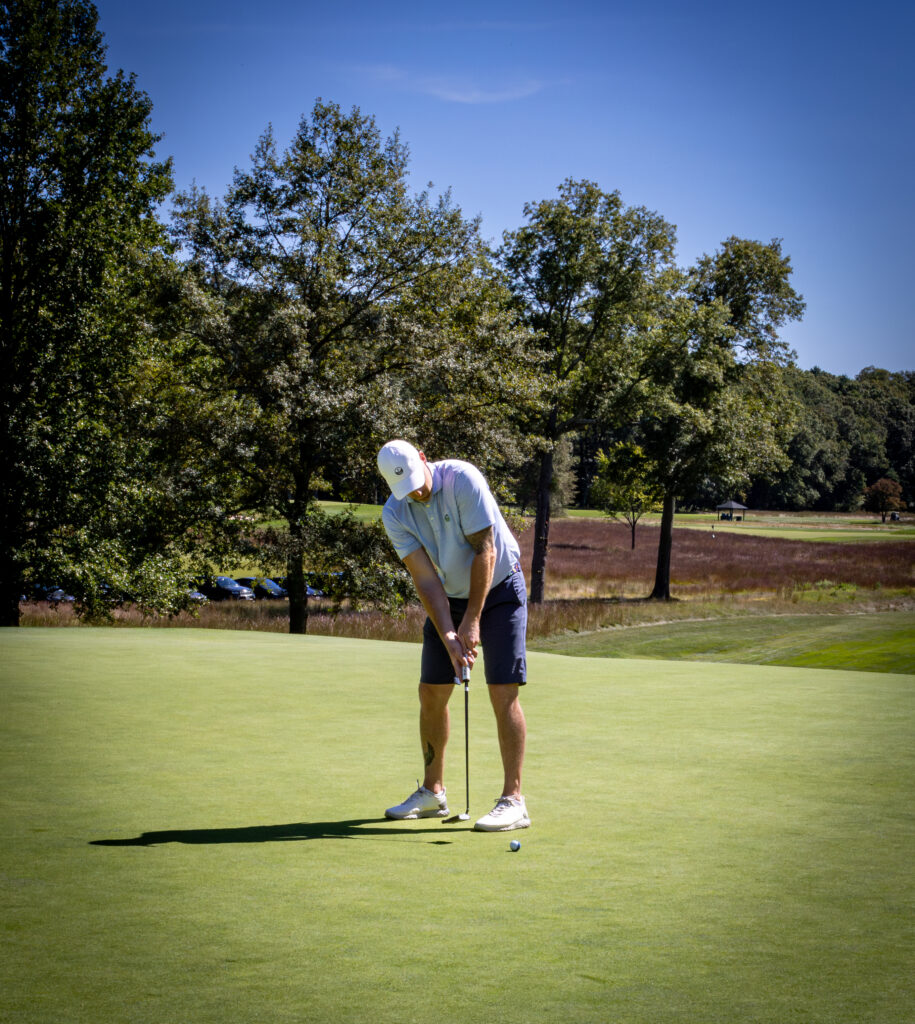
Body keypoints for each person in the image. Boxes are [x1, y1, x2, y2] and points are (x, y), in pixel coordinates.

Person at [376, 439, 530, 832]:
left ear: (424, 459)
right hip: (450, 596)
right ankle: (433, 792)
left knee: (501, 688)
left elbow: (486, 551)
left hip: (499, 589)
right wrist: (448, 632)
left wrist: (472, 621)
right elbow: (425, 578)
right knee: (431, 689)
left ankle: (514, 800)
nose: (416, 492)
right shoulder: (395, 512)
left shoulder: (462, 479)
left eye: (417, 481)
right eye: (405, 488)